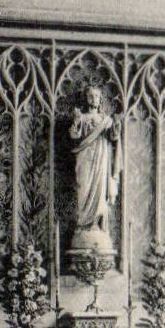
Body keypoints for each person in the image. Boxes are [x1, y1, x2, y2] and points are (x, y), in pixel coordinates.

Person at [69, 85, 122, 243]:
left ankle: (95, 224)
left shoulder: (106, 120)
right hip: (84, 158)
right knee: (83, 188)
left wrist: (117, 125)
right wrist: (76, 121)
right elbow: (73, 135)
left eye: (96, 96)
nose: (94, 99)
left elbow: (113, 137)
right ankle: (82, 224)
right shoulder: (82, 117)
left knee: (100, 192)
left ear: (100, 100)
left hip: (101, 158)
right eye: (90, 96)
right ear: (86, 98)